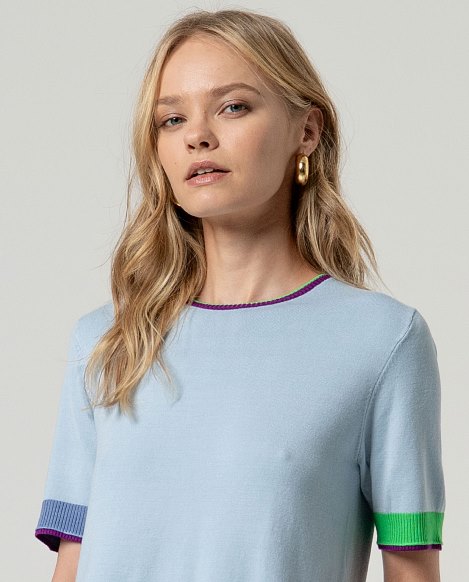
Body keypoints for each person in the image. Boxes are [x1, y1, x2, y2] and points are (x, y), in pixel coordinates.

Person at [34, 8, 445, 582]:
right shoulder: (105, 343)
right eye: (172, 119)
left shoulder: (384, 342)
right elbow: (73, 565)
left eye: (232, 107)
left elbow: (413, 570)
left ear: (307, 131)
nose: (197, 135)